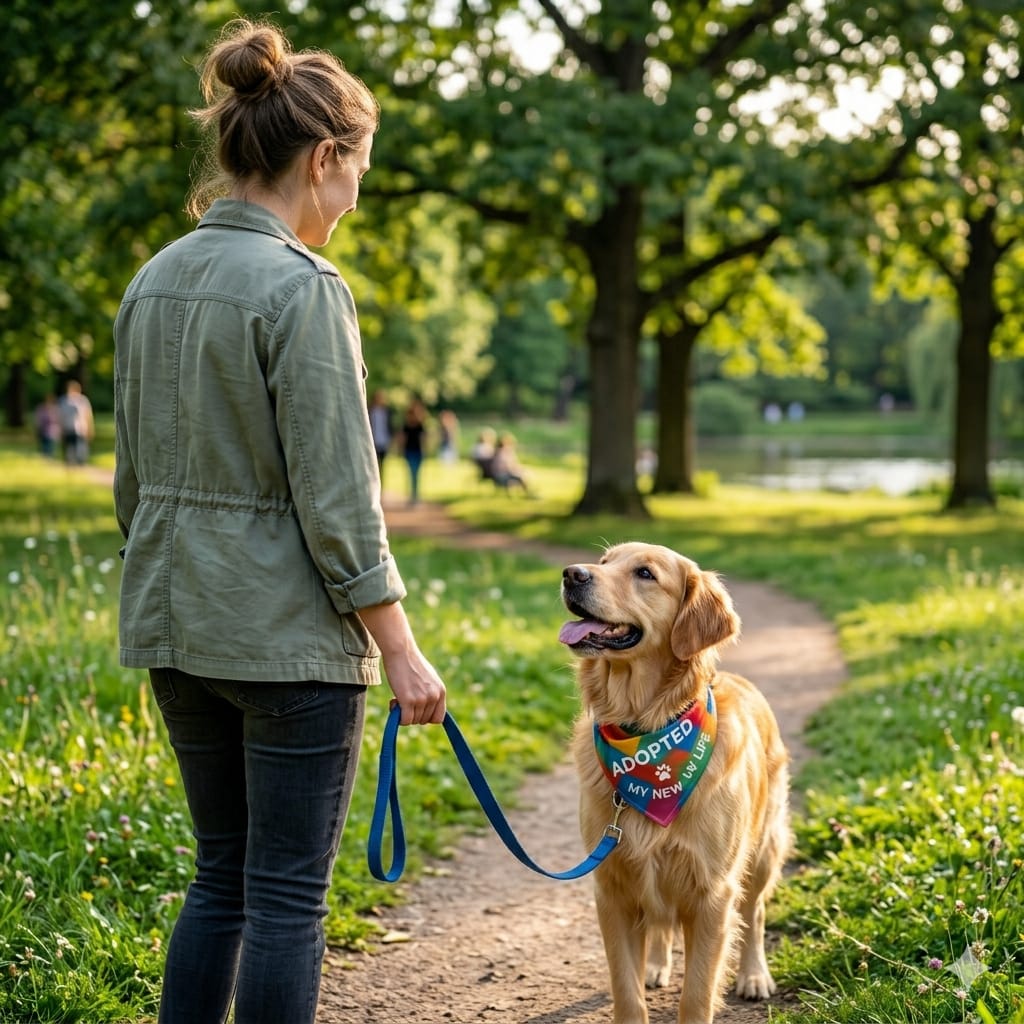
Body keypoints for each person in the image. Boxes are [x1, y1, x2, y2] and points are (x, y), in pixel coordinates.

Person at [111, 19, 446, 1024]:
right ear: (323, 158)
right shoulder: (304, 291)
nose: (356, 194)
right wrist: (401, 648)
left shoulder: (151, 277)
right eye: (359, 169)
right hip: (287, 647)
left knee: (220, 878)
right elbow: (341, 499)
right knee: (289, 899)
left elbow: (132, 486)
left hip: (176, 623)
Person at [398, 396, 428, 505]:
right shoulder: (406, 426)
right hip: (409, 451)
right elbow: (402, 438)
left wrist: (425, 450)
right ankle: (413, 496)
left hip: (418, 452)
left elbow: (423, 439)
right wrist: (400, 449)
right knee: (412, 473)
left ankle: (415, 496)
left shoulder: (420, 425)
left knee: (416, 474)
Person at [58, 380, 95, 464]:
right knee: (69, 451)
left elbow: (88, 416)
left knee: (80, 450)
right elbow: (60, 416)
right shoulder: (64, 401)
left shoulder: (83, 400)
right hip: (68, 428)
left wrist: (90, 429)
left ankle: (80, 464)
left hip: (80, 429)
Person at [368, 388, 394, 476]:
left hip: (383, 441)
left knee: (382, 464)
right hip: (373, 440)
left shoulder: (387, 411)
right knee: (373, 463)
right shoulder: (370, 410)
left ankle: (381, 482)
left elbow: (390, 425)